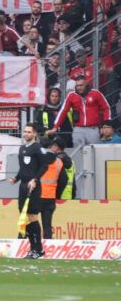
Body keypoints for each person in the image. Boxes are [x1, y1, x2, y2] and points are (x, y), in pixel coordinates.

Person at [9, 123, 51, 256]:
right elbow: (23, 168)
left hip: (33, 186)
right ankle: (33, 248)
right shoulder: (22, 149)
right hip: (23, 186)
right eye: (25, 131)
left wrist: (35, 179)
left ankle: (38, 248)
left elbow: (45, 166)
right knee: (24, 217)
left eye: (29, 132)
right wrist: (16, 178)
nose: (26, 134)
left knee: (32, 216)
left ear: (34, 134)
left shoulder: (38, 148)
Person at [48, 76, 109, 148]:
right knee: (77, 151)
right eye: (77, 85)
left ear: (86, 84)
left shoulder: (96, 94)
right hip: (78, 128)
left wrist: (105, 126)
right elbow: (63, 111)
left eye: (81, 85)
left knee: (93, 152)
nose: (79, 87)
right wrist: (56, 127)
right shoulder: (72, 96)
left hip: (93, 128)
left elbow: (106, 108)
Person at [42, 138, 73, 239]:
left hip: (46, 194)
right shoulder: (67, 161)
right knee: (49, 224)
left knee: (33, 220)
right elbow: (66, 179)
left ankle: (34, 245)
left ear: (56, 147)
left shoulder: (55, 161)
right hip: (63, 194)